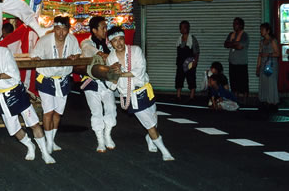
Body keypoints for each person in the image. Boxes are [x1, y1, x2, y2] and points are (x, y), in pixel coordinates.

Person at [0, 29, 55, 164]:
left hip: (16, 91)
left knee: (33, 123)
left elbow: (14, 74)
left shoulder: (4, 52)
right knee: (14, 130)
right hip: (1, 95)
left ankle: (45, 153)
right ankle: (30, 145)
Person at [106, 26, 174, 161]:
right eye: (114, 40)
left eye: (120, 39)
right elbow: (111, 84)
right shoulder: (110, 59)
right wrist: (114, 76)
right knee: (150, 124)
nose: (118, 43)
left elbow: (140, 70)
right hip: (131, 96)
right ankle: (165, 152)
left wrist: (121, 74)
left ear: (124, 38)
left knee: (154, 120)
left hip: (145, 90)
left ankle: (150, 138)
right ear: (110, 43)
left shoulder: (135, 51)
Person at [31, 15, 81, 153]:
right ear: (54, 29)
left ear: (68, 30)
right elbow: (34, 55)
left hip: (63, 78)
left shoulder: (72, 40)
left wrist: (74, 57)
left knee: (58, 113)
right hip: (46, 77)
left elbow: (77, 52)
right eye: (58, 29)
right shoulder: (44, 40)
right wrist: (37, 58)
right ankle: (47, 144)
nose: (61, 33)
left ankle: (51, 141)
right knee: (49, 111)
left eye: (64, 29)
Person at [79, 16, 117, 152]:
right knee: (96, 111)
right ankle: (100, 140)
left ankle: (108, 135)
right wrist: (100, 53)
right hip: (91, 83)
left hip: (106, 82)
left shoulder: (110, 44)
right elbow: (88, 49)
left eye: (106, 27)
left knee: (111, 108)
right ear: (94, 30)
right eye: (103, 27)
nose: (105, 30)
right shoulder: (86, 42)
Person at [223, 17, 249, 104]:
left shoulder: (244, 35)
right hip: (232, 62)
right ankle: (235, 99)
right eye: (233, 23)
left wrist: (232, 44)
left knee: (243, 82)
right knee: (233, 81)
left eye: (236, 23)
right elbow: (225, 44)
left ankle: (245, 100)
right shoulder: (231, 34)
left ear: (241, 25)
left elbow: (240, 47)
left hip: (241, 63)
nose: (234, 25)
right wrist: (235, 44)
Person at [256, 23, 280, 112]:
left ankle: (273, 103)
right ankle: (264, 101)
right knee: (264, 83)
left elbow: (277, 54)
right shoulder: (262, 42)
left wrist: (267, 54)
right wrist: (257, 67)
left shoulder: (273, 40)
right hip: (263, 64)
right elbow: (259, 55)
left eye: (262, 29)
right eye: (260, 29)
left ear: (268, 31)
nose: (261, 31)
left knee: (271, 84)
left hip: (271, 65)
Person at [175, 20, 199, 102]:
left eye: (184, 27)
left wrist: (195, 62)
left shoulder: (192, 39)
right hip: (180, 62)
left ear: (188, 28)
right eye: (181, 28)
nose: (182, 29)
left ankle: (192, 96)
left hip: (190, 63)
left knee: (191, 79)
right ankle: (178, 96)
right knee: (179, 79)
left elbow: (197, 52)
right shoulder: (179, 39)